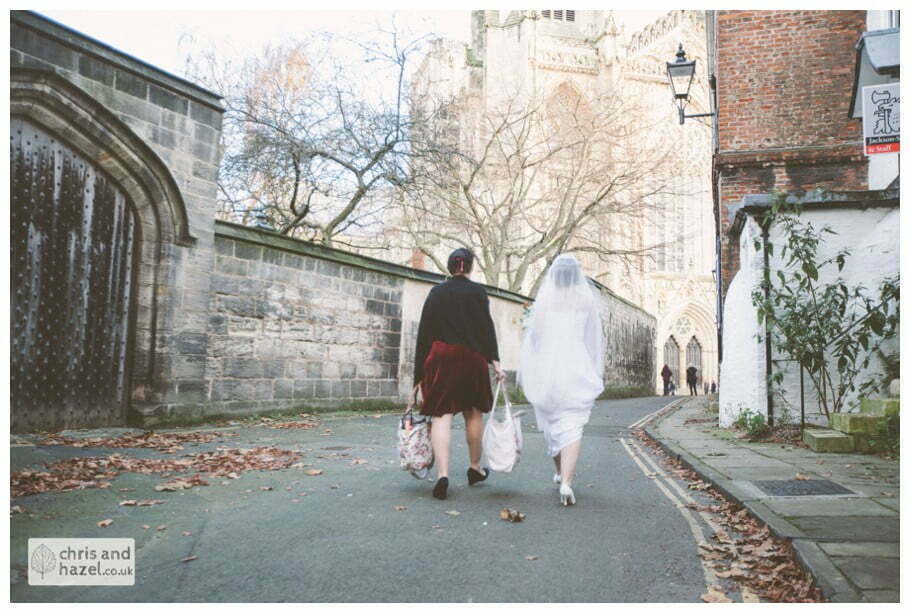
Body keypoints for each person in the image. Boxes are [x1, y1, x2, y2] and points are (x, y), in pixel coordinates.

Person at [411, 247, 504, 500]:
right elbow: (487, 328)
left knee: (441, 416)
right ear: (470, 267)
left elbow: (424, 335)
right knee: (473, 413)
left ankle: (442, 475)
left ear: (450, 267)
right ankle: (474, 468)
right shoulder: (478, 292)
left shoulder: (437, 292)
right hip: (472, 360)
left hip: (441, 359)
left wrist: (418, 377)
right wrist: (495, 361)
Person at [519, 254, 604, 507]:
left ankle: (560, 472)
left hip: (549, 365)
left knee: (552, 421)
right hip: (576, 364)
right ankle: (565, 480)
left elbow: (535, 337)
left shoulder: (546, 299)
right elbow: (592, 338)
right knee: (573, 423)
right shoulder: (585, 300)